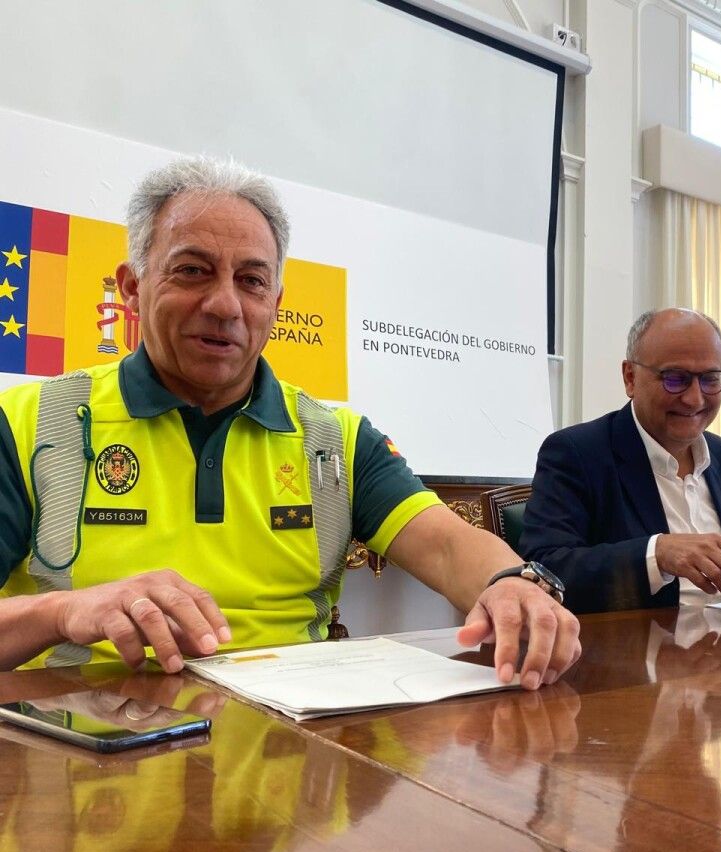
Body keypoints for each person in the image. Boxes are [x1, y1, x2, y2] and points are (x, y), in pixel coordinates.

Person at [0, 157, 580, 689]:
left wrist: (511, 582)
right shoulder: (31, 421)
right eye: (193, 271)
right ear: (132, 287)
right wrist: (66, 611)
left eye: (251, 280)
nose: (226, 305)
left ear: (276, 302)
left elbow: (450, 547)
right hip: (80, 754)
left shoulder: (337, 440)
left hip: (289, 753)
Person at [520, 308, 721, 613]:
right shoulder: (577, 453)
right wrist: (657, 554)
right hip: (635, 654)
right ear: (630, 378)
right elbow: (545, 569)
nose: (695, 399)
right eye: (675, 379)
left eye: (710, 379)